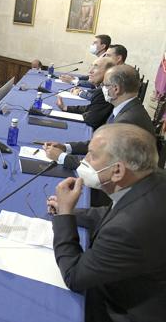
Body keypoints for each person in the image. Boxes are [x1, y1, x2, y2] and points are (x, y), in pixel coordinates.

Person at [46, 123, 166, 322]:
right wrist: (73, 212)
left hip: (120, 310)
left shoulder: (126, 229)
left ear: (117, 171)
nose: (84, 160)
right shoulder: (154, 177)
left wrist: (64, 215)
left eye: (92, 155)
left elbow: (74, 276)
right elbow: (112, 211)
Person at [44, 64, 154, 170]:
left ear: (116, 89)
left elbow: (104, 166)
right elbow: (103, 144)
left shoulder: (127, 121)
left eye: (104, 85)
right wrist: (66, 147)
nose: (102, 89)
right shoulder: (124, 108)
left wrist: (61, 157)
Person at [55, 57, 115, 130]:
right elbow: (91, 108)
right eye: (91, 66)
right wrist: (66, 108)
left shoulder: (105, 92)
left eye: (95, 67)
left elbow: (91, 120)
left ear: (108, 72)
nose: (90, 71)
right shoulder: (101, 89)